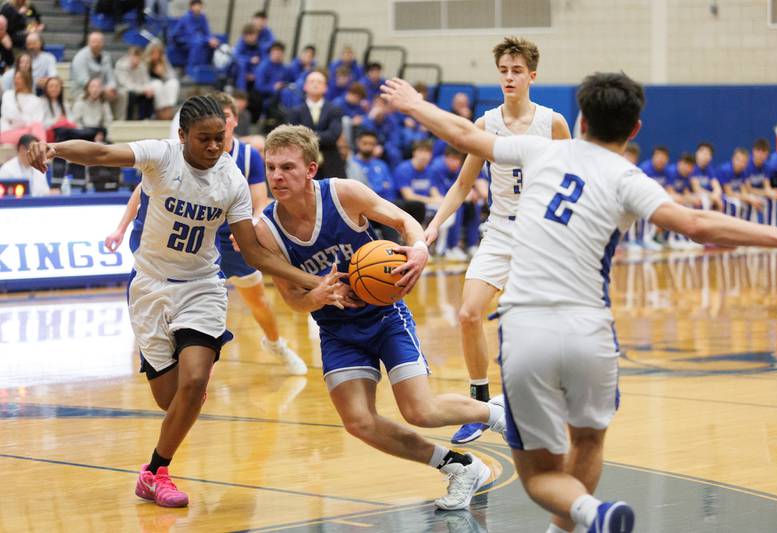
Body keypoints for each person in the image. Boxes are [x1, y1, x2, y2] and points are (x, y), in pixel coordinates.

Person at [382, 71, 777, 533]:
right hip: (591, 334)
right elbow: (698, 225)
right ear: (635, 128)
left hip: (527, 332)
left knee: (540, 474)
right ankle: (576, 522)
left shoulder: (542, 149)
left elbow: (463, 133)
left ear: (580, 119)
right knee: (587, 442)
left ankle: (591, 514)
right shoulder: (629, 178)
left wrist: (414, 103)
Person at [27, 95, 343, 509]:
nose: (214, 147)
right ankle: (183, 410)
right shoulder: (161, 156)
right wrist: (54, 148)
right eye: (204, 139)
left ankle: (156, 471)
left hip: (201, 285)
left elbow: (253, 252)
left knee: (194, 382)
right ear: (182, 137)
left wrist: (310, 280)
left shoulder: (230, 180)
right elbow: (103, 152)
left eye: (220, 139)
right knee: (170, 400)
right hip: (150, 287)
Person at [252, 123, 506, 511]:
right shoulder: (267, 229)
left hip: (385, 315)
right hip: (337, 331)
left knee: (420, 410)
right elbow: (292, 300)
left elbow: (404, 221)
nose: (276, 176)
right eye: (271, 168)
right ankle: (458, 466)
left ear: (310, 170)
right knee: (358, 423)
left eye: (287, 167)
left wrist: (419, 248)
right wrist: (316, 296)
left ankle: (496, 412)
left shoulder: (343, 194)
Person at [423, 37, 572, 445]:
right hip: (501, 229)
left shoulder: (554, 123)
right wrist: (435, 224)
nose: (509, 77)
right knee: (469, 313)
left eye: (517, 70)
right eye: (504, 70)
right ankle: (480, 403)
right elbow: (462, 183)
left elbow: (572, 181)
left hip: (541, 234)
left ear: (532, 76)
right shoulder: (486, 124)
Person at [106, 92, 308, 375]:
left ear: (234, 122)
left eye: (225, 117)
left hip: (229, 237)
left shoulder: (247, 156)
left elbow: (260, 200)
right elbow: (144, 191)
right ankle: (181, 359)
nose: (219, 124)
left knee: (258, 300)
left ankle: (275, 344)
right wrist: (120, 228)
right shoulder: (177, 155)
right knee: (180, 296)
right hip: (189, 239)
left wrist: (251, 227)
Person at [286, 69, 347, 180]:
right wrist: (320, 136)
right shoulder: (295, 111)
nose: (315, 84)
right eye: (312, 81)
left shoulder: (335, 110)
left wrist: (306, 136)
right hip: (302, 161)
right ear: (305, 86)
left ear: (326, 88)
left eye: (319, 82)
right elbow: (293, 137)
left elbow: (333, 135)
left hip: (330, 163)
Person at [70, 31, 123, 118]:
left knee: (121, 94)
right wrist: (101, 90)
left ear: (103, 43)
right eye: (94, 41)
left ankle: (119, 122)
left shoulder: (106, 56)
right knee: (95, 94)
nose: (97, 44)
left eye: (99, 41)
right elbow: (83, 81)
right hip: (83, 90)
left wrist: (111, 88)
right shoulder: (80, 57)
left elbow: (111, 77)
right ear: (88, 43)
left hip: (103, 89)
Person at [0, 67, 45, 145]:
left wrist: (23, 121)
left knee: (37, 126)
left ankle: (41, 150)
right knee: (33, 132)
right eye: (15, 78)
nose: (16, 80)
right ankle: (41, 148)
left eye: (19, 78)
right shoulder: (8, 95)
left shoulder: (36, 100)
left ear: (26, 80)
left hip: (30, 132)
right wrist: (27, 122)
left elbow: (38, 120)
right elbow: (10, 116)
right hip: (8, 132)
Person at [746, 138, 777, 226]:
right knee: (756, 201)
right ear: (753, 151)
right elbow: (748, 189)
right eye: (758, 151)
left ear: (767, 154)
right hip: (747, 193)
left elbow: (766, 185)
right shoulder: (747, 165)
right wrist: (766, 192)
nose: (761, 155)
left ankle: (771, 227)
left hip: (759, 193)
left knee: (773, 198)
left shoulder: (766, 166)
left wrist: (770, 192)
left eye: (763, 152)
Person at [172, 0, 219, 70]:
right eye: (196, 5)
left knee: (213, 44)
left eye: (199, 5)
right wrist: (207, 40)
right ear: (191, 7)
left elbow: (207, 32)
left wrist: (211, 39)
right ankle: (191, 69)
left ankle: (207, 68)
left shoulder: (202, 17)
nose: (198, 7)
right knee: (197, 43)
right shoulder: (186, 18)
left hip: (196, 39)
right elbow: (191, 34)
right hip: (182, 40)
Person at [143, 40, 180, 120]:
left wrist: (163, 74)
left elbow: (172, 76)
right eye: (153, 52)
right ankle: (161, 115)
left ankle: (169, 111)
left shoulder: (164, 61)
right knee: (157, 84)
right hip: (150, 85)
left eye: (158, 53)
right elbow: (143, 78)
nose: (156, 55)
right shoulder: (145, 62)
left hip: (164, 85)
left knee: (173, 83)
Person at [115, 46, 154, 120]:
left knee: (150, 94)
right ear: (129, 56)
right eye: (133, 57)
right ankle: (129, 119)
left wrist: (148, 89)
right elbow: (127, 85)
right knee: (130, 95)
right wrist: (143, 90)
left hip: (139, 90)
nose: (135, 60)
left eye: (137, 58)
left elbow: (146, 81)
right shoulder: (120, 65)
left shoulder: (142, 66)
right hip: (124, 91)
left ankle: (146, 118)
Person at [71, 78, 114, 143]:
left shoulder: (104, 103)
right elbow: (76, 122)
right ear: (87, 88)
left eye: (98, 87)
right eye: (92, 87)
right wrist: (87, 135)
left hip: (98, 131)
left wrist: (102, 133)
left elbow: (107, 121)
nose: (95, 90)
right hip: (83, 132)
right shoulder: (80, 102)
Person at [689, 142, 723, 211]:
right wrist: (712, 196)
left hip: (709, 196)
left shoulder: (710, 170)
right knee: (703, 201)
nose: (705, 156)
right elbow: (697, 189)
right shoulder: (692, 168)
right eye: (703, 153)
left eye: (708, 154)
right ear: (697, 154)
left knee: (723, 201)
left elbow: (717, 187)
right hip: (696, 196)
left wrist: (716, 196)